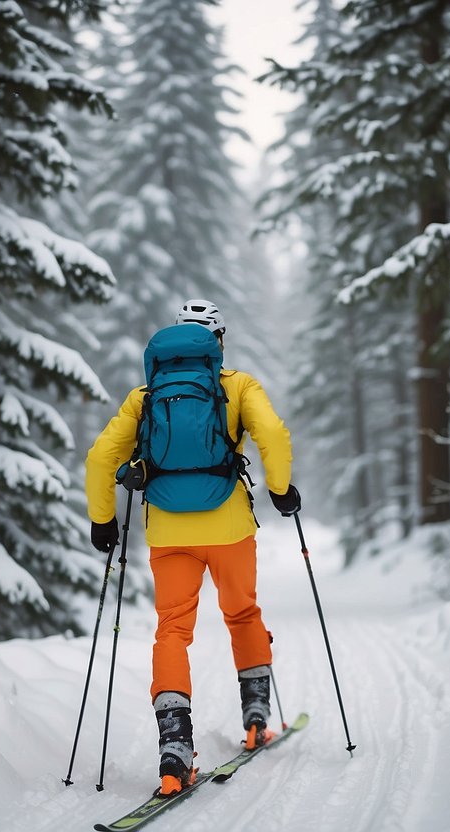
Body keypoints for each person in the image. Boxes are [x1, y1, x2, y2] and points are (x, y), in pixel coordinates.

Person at [85, 299, 301, 797]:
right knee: (242, 613)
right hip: (228, 526)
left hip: (168, 531)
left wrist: (103, 521)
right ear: (217, 341)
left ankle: (174, 751)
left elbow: (101, 458)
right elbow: (271, 433)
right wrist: (281, 489)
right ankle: (255, 718)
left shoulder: (145, 396)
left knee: (172, 632)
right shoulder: (238, 386)